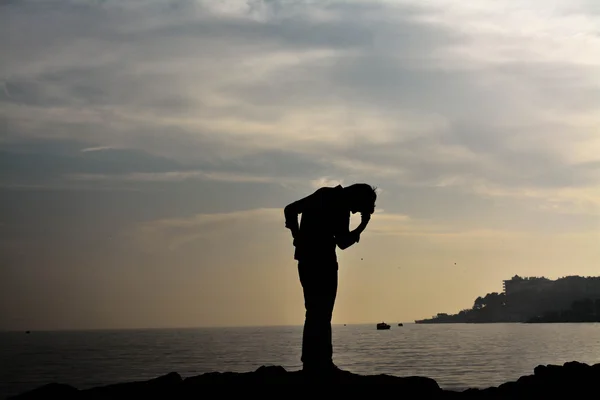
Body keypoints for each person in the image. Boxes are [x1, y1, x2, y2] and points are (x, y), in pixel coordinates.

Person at [284, 183, 377, 375]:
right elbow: (343, 242)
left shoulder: (328, 197)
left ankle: (314, 362)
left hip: (310, 259)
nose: (357, 211)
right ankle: (319, 363)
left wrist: (298, 237)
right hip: (321, 262)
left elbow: (291, 210)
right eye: (361, 206)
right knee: (321, 313)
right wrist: (362, 226)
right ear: (357, 197)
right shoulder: (334, 201)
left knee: (315, 312)